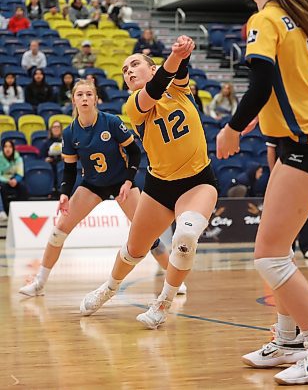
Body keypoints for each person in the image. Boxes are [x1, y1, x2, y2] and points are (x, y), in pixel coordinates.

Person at [216, 0, 308, 385]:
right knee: (280, 249)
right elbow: (286, 86)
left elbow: (262, 79)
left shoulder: (265, 19)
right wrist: (267, 131)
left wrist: (232, 127)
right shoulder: (296, 17)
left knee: (269, 256)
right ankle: (289, 339)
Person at [79, 36, 218, 329]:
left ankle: (163, 304)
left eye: (134, 65)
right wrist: (175, 55)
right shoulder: (134, 104)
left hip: (197, 182)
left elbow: (177, 72)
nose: (128, 71)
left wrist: (181, 52)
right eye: (124, 70)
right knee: (134, 250)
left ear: (153, 69)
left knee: (185, 238)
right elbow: (156, 87)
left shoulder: (179, 89)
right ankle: (108, 289)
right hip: (159, 186)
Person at [19, 79, 179, 297]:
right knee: (58, 232)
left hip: (122, 182)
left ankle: (174, 281)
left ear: (96, 98)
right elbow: (69, 169)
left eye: (88, 94)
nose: (84, 98)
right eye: (80, 95)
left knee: (148, 236)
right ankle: (39, 283)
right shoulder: (69, 133)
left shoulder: (111, 122)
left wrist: (129, 181)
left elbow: (134, 152)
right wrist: (65, 193)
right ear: (73, 100)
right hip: (92, 185)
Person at [266, 137, 308, 260]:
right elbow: (271, 149)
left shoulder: (307, 124)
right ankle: (287, 248)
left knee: (307, 208)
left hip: (306, 169)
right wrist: (274, 174)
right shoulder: (278, 123)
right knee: (285, 211)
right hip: (285, 169)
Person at [0, 140, 27, 220]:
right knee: (2, 187)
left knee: (23, 186)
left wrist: (15, 180)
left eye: (10, 147)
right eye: (5, 147)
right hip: (3, 179)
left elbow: (20, 173)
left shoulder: (18, 158)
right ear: (3, 148)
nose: (8, 149)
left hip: (14, 178)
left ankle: (21, 211)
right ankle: (5, 211)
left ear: (13, 148)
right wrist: (7, 180)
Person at [40, 120, 63, 190]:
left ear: (61, 129)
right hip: (51, 164)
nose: (56, 129)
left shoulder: (65, 141)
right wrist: (45, 159)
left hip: (62, 163)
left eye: (58, 127)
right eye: (54, 127)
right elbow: (41, 156)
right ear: (51, 129)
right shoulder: (46, 142)